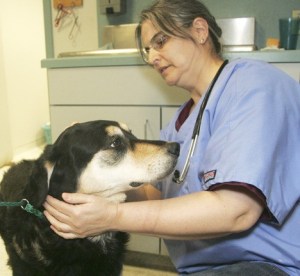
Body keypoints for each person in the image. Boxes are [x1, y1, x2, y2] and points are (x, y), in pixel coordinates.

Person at [44, 0, 300, 275]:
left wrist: (111, 217)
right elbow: (153, 196)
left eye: (160, 41)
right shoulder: (178, 124)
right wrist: (91, 167)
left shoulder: (253, 87)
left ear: (200, 30)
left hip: (271, 265)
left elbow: (236, 210)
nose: (153, 56)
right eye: (148, 49)